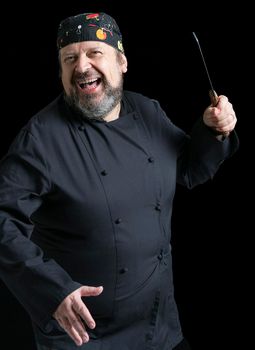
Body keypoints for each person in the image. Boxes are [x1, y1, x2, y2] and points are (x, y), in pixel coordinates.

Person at [0, 12, 238, 350]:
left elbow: (187, 169)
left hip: (158, 326)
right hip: (84, 335)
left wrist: (213, 131)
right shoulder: (40, 139)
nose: (81, 66)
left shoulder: (146, 112)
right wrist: (51, 290)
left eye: (94, 53)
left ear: (122, 61)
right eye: (70, 58)